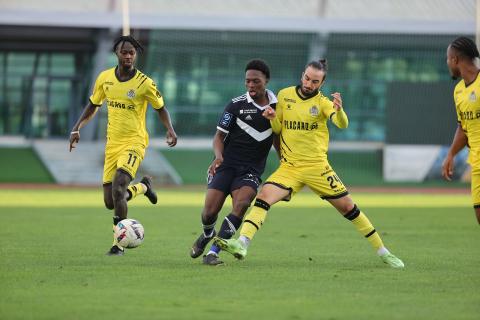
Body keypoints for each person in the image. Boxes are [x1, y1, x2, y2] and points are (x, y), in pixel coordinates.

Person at [215, 59, 405, 268]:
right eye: (307, 78)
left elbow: (342, 124)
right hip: (290, 168)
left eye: (315, 81)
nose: (308, 84)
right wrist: (271, 117)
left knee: (349, 208)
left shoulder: (323, 103)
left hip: (317, 168)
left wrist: (339, 110)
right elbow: (278, 129)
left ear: (321, 84)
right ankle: (242, 244)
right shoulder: (285, 95)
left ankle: (383, 251)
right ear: (302, 75)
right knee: (263, 198)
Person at [69, 35, 177, 255]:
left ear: (135, 55)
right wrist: (77, 127)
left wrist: (170, 129)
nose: (128, 56)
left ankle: (118, 245)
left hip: (134, 142)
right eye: (124, 52)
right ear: (116, 53)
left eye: (132, 53)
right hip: (112, 144)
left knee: (119, 188)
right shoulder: (105, 78)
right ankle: (143, 187)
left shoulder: (144, 83)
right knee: (111, 201)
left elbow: (161, 107)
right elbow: (93, 104)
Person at [190, 59, 277, 265]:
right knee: (209, 213)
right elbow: (218, 137)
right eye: (247, 81)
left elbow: (280, 137)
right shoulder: (236, 104)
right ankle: (207, 234)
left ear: (266, 80)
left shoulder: (278, 107)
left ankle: (213, 253)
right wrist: (218, 157)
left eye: (255, 81)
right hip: (226, 165)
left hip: (251, 170)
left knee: (242, 204)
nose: (250, 86)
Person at [442, 36, 480, 224]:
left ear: (455, 60)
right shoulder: (458, 91)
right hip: (476, 161)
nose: (447, 63)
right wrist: (451, 155)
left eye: (448, 59)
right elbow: (463, 127)